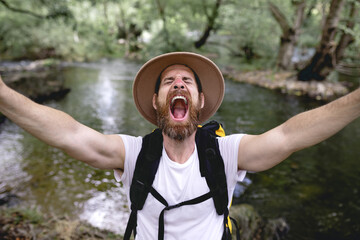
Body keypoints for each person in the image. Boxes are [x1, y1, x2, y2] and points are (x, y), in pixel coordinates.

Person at [0, 52, 359, 240]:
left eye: (186, 80)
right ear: (157, 101)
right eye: (169, 81)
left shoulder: (228, 153)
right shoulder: (133, 154)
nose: (178, 84)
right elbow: (70, 134)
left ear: (199, 102)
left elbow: (289, 135)